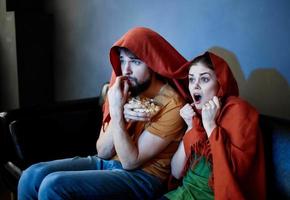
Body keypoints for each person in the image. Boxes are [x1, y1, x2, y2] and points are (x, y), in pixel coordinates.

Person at [17, 27, 191, 200]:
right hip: (108, 163)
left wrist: (117, 113)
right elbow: (102, 152)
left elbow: (130, 162)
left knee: (54, 185)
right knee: (31, 175)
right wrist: (120, 112)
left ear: (153, 64)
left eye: (135, 62)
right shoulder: (123, 90)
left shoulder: (172, 104)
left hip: (143, 177)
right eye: (122, 61)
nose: (126, 70)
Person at [161, 51, 265, 200]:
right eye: (191, 79)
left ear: (220, 82)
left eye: (204, 79)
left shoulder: (239, 111)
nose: (195, 86)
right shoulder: (196, 115)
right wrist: (191, 128)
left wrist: (211, 127)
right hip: (179, 195)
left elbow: (233, 177)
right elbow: (176, 172)